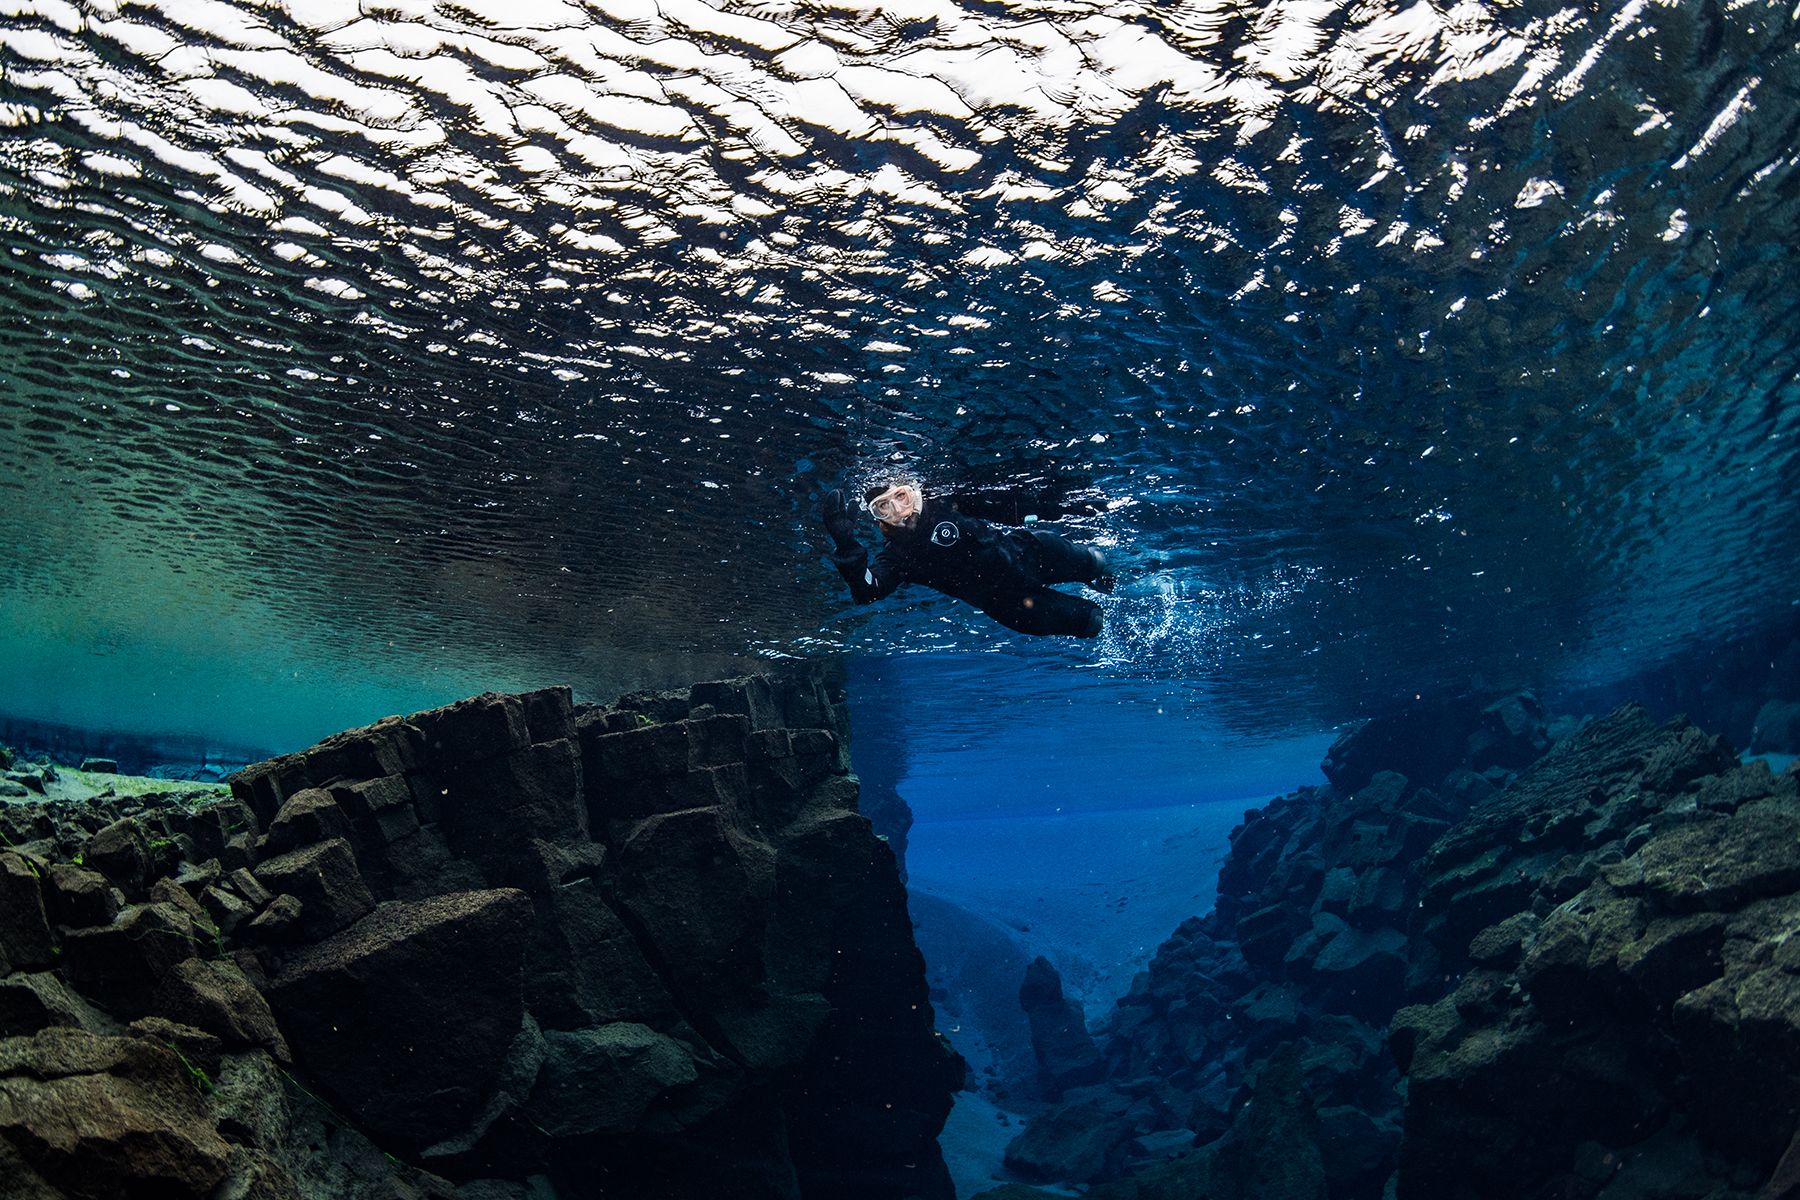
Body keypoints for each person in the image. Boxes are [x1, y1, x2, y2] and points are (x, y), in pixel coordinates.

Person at [821, 479, 1115, 638]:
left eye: (901, 497)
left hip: (1034, 553)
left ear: (913, 491)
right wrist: (847, 546)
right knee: (1093, 623)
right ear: (878, 519)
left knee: (1097, 562)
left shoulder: (944, 501)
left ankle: (1103, 578)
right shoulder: (898, 557)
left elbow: (1004, 505)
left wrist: (1065, 506)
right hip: (1010, 605)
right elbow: (868, 590)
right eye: (883, 508)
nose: (898, 511)